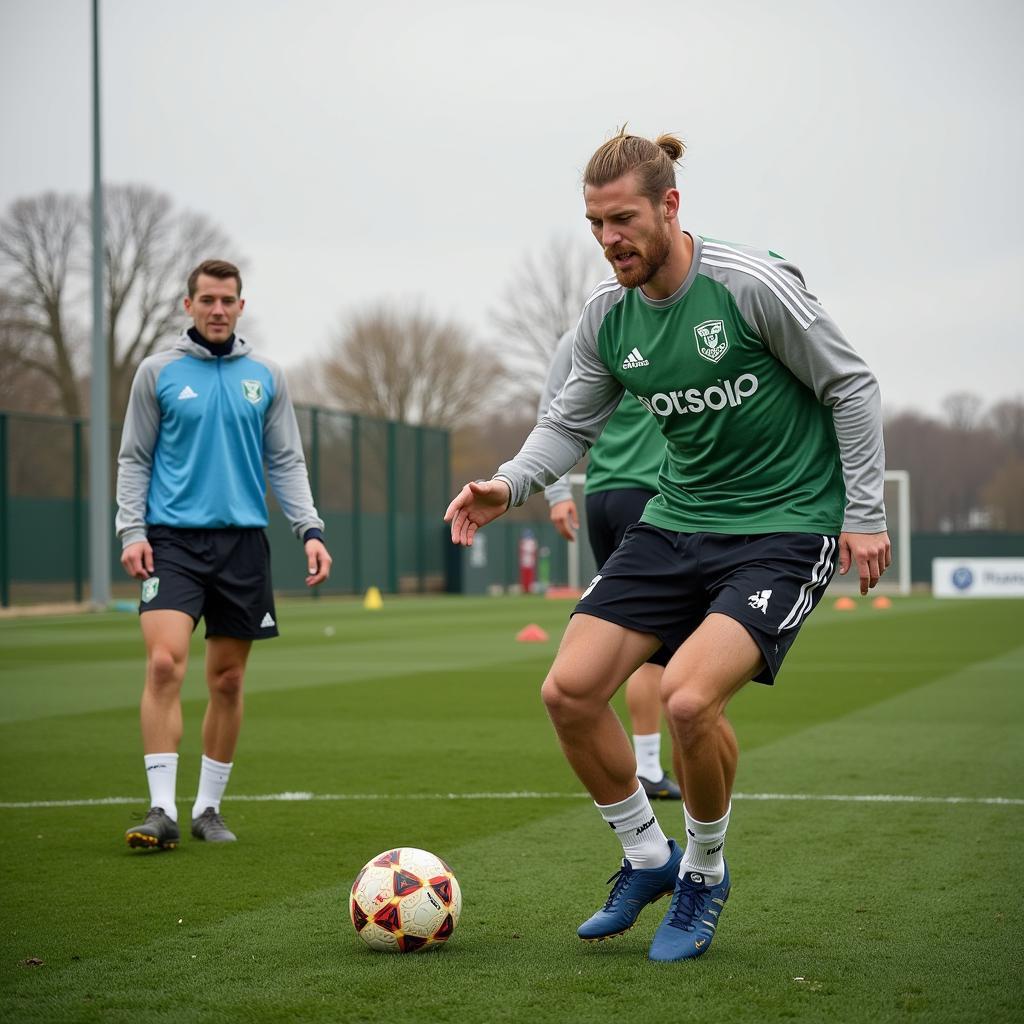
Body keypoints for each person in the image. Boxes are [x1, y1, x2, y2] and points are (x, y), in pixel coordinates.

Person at [446, 130, 890, 962]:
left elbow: (851, 384)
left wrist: (863, 511)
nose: (610, 239)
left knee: (687, 701)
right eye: (595, 224)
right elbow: (566, 424)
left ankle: (704, 871)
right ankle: (648, 857)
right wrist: (508, 485)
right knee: (569, 692)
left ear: (670, 207)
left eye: (623, 220)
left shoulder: (749, 286)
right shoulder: (607, 319)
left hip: (785, 528)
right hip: (677, 518)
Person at [116, 259, 331, 851]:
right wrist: (131, 531)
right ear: (188, 305)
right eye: (206, 299)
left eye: (227, 300)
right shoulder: (156, 373)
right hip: (171, 542)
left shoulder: (265, 375)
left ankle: (207, 808)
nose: (217, 309)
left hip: (242, 545)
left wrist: (308, 529)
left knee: (229, 680)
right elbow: (134, 457)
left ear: (241, 306)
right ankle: (160, 808)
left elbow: (286, 460)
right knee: (165, 664)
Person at [539, 329, 680, 801]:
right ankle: (648, 766)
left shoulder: (579, 336)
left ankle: (640, 762)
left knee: (632, 634)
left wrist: (559, 493)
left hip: (599, 495)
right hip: (650, 495)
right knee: (652, 646)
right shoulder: (665, 325)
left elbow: (551, 412)